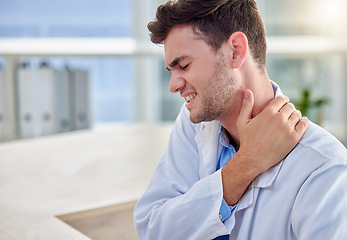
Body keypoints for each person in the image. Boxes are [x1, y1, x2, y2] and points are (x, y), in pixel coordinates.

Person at [134, 0, 347, 239]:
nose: (174, 85)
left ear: (235, 51)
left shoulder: (324, 167)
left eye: (183, 65)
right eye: (171, 71)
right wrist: (246, 164)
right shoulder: (195, 123)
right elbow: (153, 229)